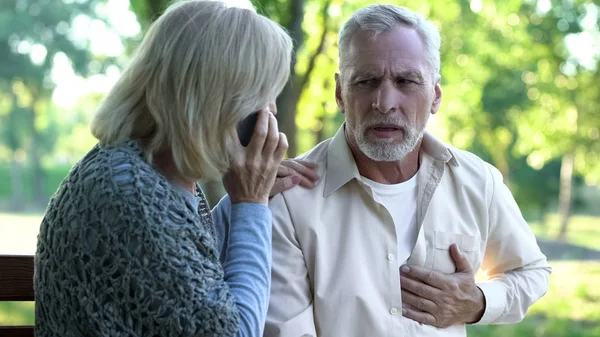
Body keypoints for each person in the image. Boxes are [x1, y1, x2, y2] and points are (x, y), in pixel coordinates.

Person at [263, 4, 552, 337]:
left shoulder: (477, 181)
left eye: (406, 81)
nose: (385, 102)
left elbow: (530, 272)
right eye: (366, 81)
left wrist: (477, 301)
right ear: (340, 93)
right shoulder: (289, 198)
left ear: (435, 96)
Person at [33, 1, 318, 336]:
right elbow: (234, 331)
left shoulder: (145, 173)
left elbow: (191, 279)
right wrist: (251, 206)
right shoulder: (132, 195)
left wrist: (244, 200)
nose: (270, 111)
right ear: (219, 99)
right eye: (263, 95)